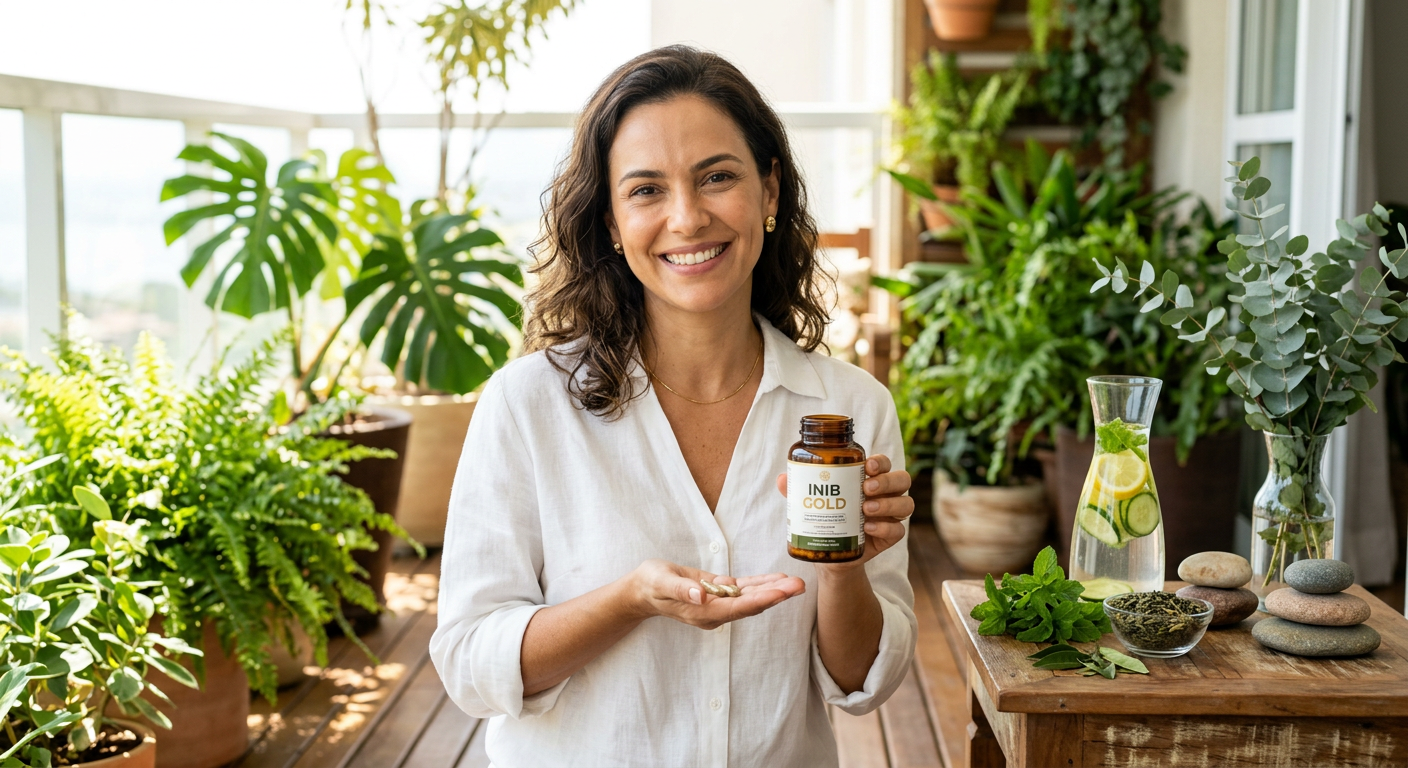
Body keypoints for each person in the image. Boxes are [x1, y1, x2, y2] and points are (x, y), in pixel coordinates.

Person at [430, 45, 916, 768]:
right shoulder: (527, 405)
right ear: (611, 223)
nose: (687, 218)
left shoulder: (847, 410)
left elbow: (859, 684)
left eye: (717, 177)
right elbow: (471, 662)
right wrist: (631, 600)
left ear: (770, 191)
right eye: (646, 190)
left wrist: (843, 566)